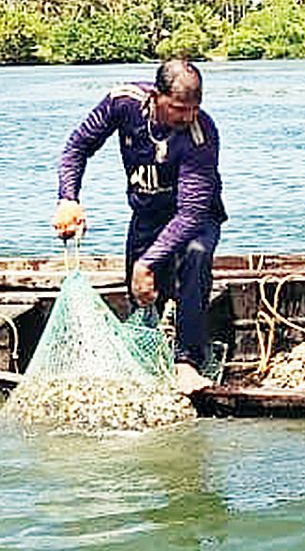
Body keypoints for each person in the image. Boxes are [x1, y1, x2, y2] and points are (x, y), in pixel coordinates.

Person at [53, 59, 226, 393]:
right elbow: (77, 146)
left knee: (195, 256)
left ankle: (187, 362)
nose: (187, 117)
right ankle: (151, 357)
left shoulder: (200, 134)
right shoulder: (123, 102)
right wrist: (68, 199)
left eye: (194, 108)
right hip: (148, 215)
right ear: (155, 97)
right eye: (178, 108)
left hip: (196, 218)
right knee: (143, 297)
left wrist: (149, 262)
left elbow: (191, 213)